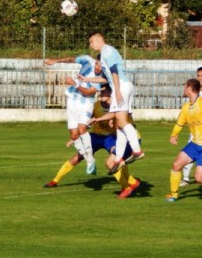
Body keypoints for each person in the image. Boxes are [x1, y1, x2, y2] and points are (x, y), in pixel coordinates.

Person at [43, 85, 141, 199]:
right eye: (101, 93)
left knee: (116, 160)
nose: (101, 95)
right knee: (76, 158)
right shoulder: (95, 106)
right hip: (95, 137)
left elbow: (126, 123)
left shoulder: (118, 107)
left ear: (110, 93)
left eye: (104, 92)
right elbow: (85, 123)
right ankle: (55, 181)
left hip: (111, 138)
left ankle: (128, 185)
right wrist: (74, 138)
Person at [84, 31, 143, 175]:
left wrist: (116, 90)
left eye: (91, 42)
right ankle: (118, 158)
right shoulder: (106, 52)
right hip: (123, 85)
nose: (90, 45)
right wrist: (86, 80)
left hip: (121, 86)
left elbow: (115, 71)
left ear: (98, 40)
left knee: (122, 122)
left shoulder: (107, 51)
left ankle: (136, 150)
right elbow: (106, 79)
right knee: (118, 124)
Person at [44, 55, 101, 175]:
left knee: (82, 129)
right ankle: (89, 161)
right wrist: (56, 60)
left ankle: (90, 160)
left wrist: (74, 84)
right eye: (97, 64)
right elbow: (72, 59)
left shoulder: (103, 76)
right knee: (74, 135)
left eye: (101, 66)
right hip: (72, 101)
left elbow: (89, 92)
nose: (98, 68)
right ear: (95, 61)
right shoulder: (87, 60)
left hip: (86, 103)